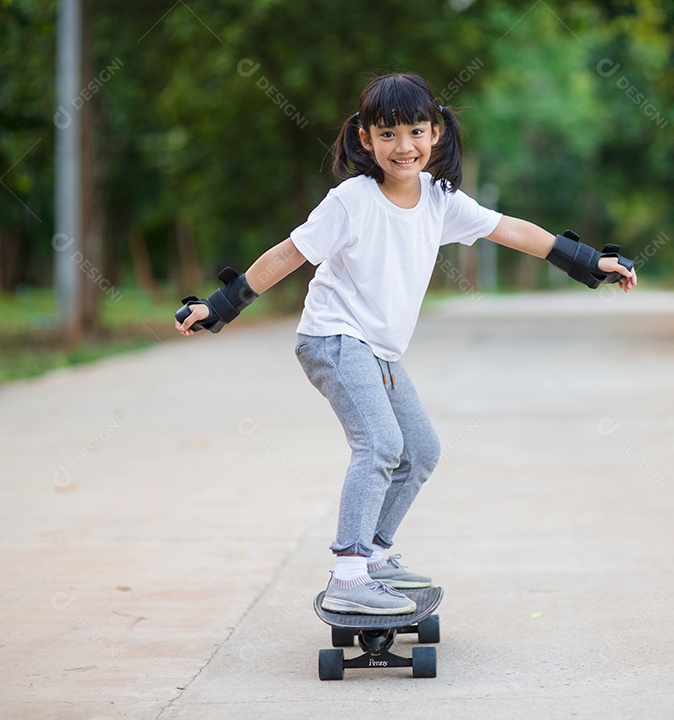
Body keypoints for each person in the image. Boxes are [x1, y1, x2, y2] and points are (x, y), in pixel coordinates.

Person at [174, 72, 637, 615]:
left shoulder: (440, 199)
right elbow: (288, 255)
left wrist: (591, 262)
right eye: (387, 134)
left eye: (416, 131)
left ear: (436, 133)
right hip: (334, 338)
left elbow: (512, 230)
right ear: (364, 139)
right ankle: (349, 576)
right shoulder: (351, 200)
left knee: (420, 451)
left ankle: (372, 555)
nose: (403, 146)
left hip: (379, 351)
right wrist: (220, 304)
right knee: (380, 444)